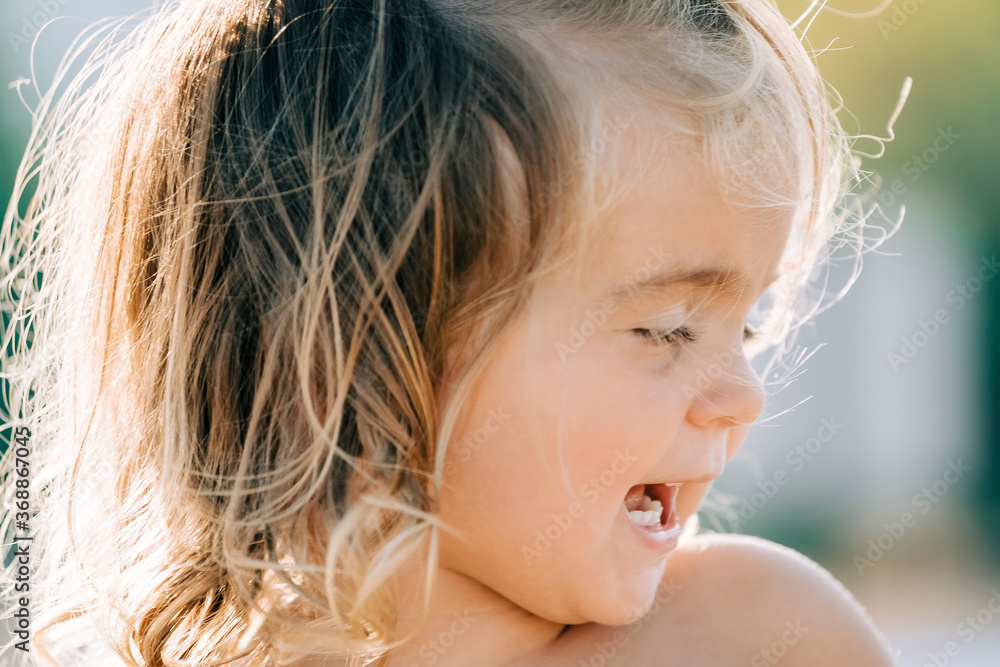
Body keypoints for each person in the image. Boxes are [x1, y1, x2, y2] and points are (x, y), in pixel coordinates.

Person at [0, 0, 904, 664]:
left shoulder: (748, 639)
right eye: (666, 328)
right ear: (350, 359)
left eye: (743, 322)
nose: (743, 394)